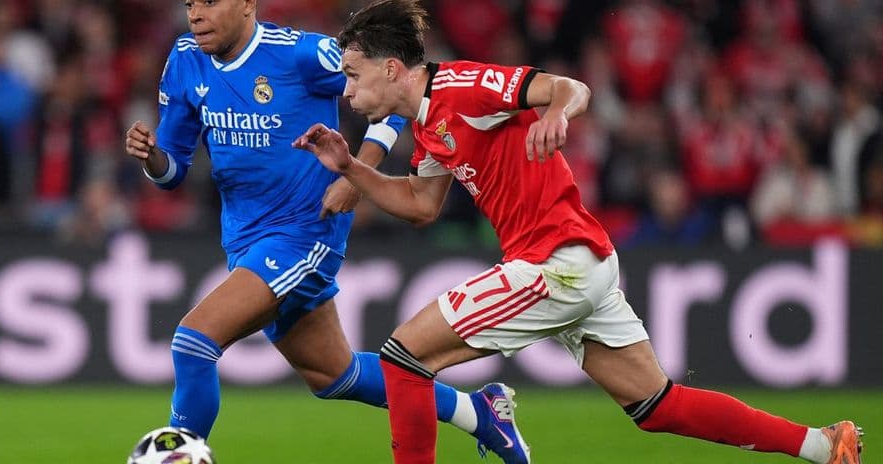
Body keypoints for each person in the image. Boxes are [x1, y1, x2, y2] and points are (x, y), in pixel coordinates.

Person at [293, 1, 865, 463]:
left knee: (402, 357)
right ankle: (823, 445)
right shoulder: (431, 122)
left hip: (555, 263)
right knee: (656, 407)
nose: (347, 91)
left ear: (392, 69)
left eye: (352, 74)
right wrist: (350, 168)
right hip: (577, 263)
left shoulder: (466, 86)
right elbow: (419, 204)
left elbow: (568, 86)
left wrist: (555, 112)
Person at [122, 1, 528, 462]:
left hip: (304, 232)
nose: (196, 13)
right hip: (244, 239)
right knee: (336, 376)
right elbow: (174, 168)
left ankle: (181, 455)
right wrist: (152, 157)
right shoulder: (184, 59)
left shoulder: (302, 54)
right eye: (190, 3)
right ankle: (480, 411)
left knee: (193, 341)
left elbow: (394, 98)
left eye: (210, 1)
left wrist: (357, 177)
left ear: (248, 4)